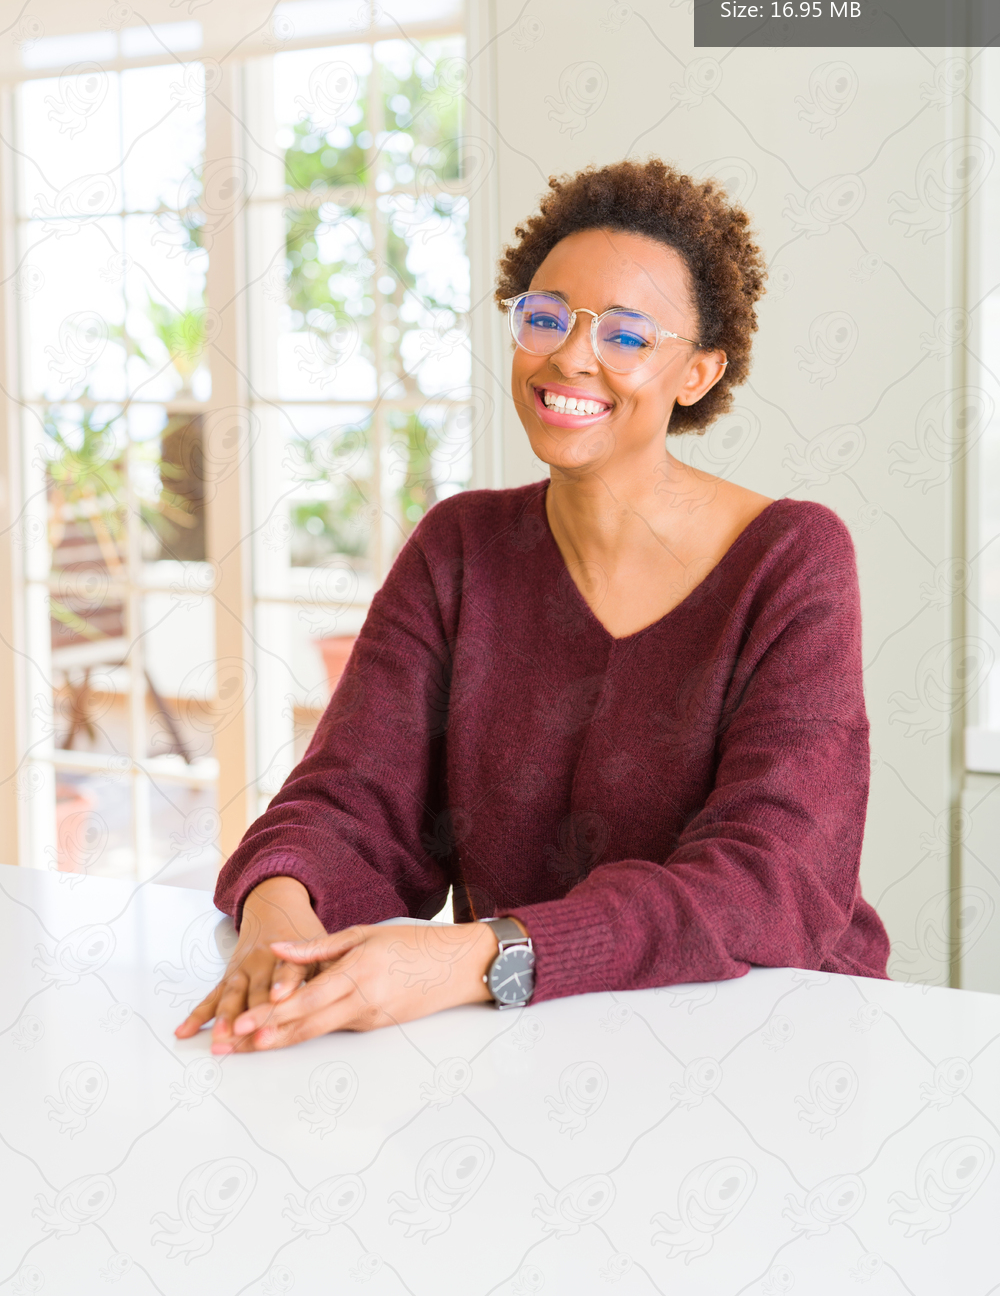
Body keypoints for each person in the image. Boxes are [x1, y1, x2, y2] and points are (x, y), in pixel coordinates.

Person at [176, 157, 890, 1055]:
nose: (570, 355)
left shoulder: (791, 558)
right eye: (545, 317)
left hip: (771, 1042)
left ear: (699, 373)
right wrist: (279, 909)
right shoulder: (461, 549)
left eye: (627, 335)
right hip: (532, 1048)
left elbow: (770, 880)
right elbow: (349, 798)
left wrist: (476, 957)